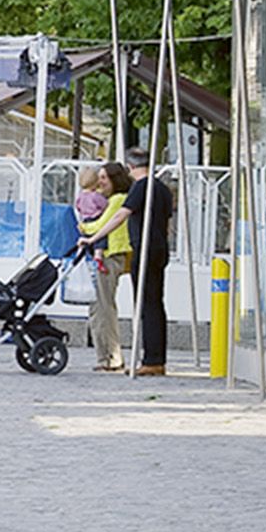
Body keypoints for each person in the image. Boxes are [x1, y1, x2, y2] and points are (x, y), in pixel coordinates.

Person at [83, 147, 173, 375]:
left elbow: (121, 215)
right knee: (156, 302)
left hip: (144, 248)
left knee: (145, 304)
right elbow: (167, 222)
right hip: (159, 248)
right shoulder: (162, 188)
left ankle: (152, 360)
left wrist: (93, 238)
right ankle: (157, 358)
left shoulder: (141, 187)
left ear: (130, 167)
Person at [78, 161, 132, 372]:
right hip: (108, 254)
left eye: (103, 178)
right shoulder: (110, 200)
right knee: (99, 305)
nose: (100, 183)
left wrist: (83, 228)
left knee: (102, 306)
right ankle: (107, 355)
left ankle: (110, 357)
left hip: (109, 255)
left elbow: (102, 225)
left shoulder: (118, 200)